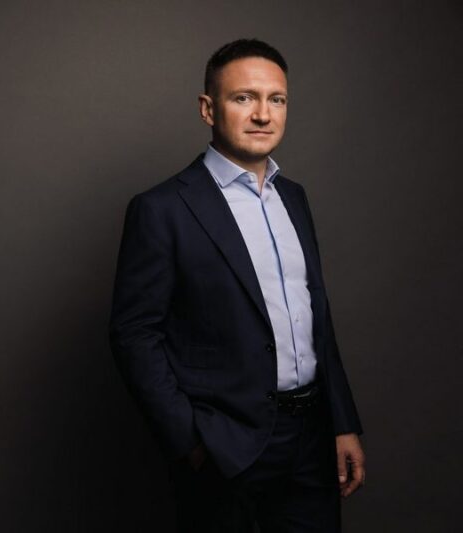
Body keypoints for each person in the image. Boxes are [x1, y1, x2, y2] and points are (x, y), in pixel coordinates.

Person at [108, 38, 366, 532]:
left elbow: (316, 316)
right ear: (208, 108)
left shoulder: (295, 198)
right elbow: (134, 334)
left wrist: (343, 422)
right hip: (225, 447)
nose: (263, 114)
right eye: (244, 98)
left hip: (313, 441)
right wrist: (191, 442)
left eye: (276, 99)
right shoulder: (162, 209)